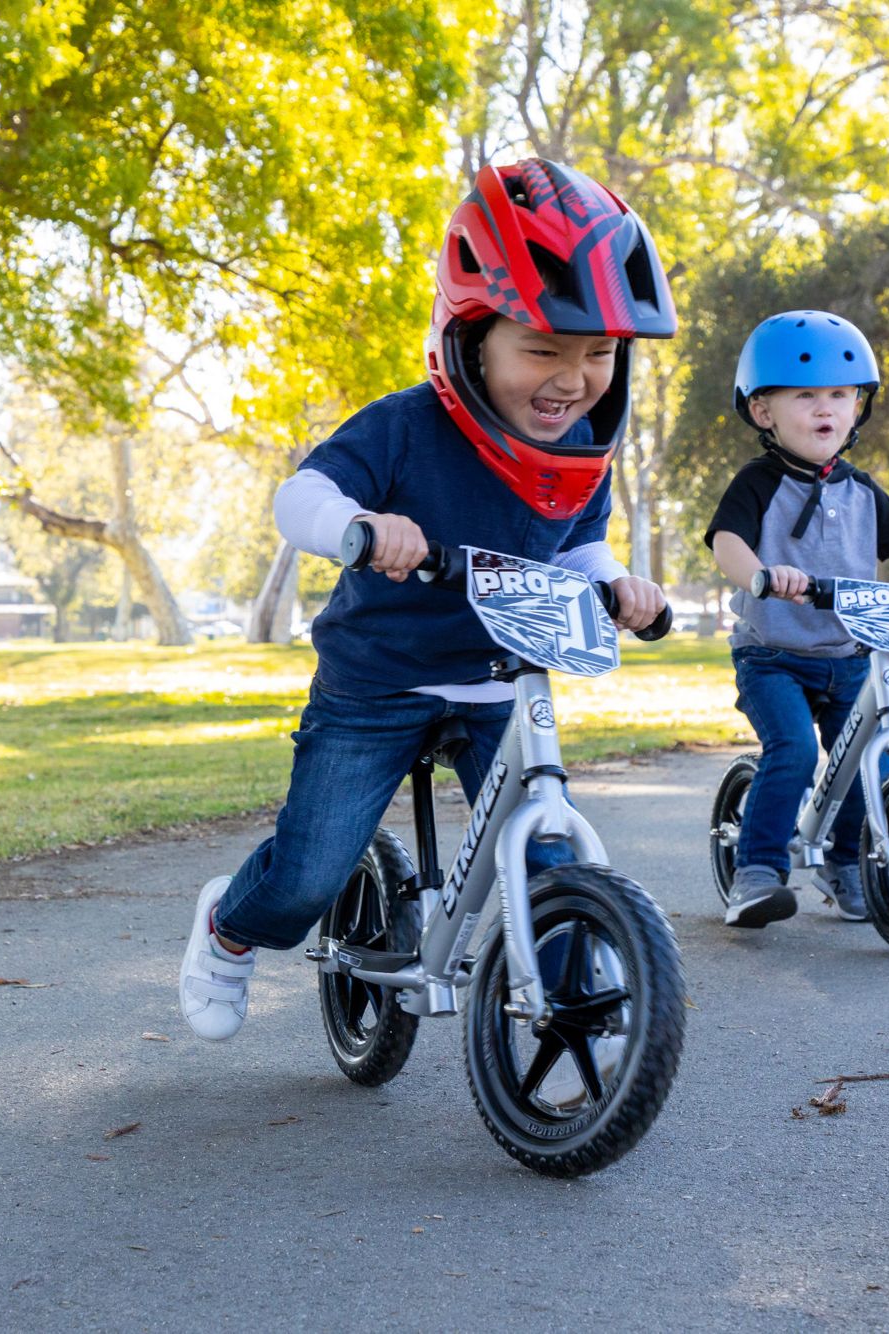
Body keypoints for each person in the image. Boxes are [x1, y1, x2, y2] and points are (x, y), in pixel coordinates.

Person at [179, 159, 678, 1040]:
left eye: (597, 354)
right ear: (470, 335)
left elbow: (581, 545)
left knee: (549, 846)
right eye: (542, 349)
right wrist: (364, 528)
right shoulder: (406, 425)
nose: (573, 379)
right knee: (309, 876)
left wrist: (618, 585)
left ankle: (573, 980)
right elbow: (301, 498)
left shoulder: (582, 450)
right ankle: (231, 924)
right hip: (379, 682)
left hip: (502, 680)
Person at [703, 311, 889, 929]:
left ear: (858, 409)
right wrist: (762, 577)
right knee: (795, 750)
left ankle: (849, 865)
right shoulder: (758, 483)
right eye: (805, 395)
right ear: (763, 411)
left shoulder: (862, 492)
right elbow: (726, 542)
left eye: (841, 395)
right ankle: (758, 871)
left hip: (847, 655)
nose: (825, 407)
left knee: (867, 760)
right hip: (772, 655)